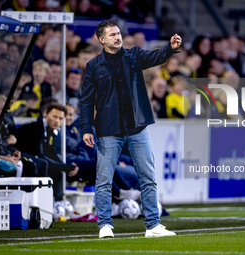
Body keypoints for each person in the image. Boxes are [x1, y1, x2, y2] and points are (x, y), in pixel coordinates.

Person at [79, 19, 180, 238]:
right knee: (103, 180)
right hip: (108, 130)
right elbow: (86, 100)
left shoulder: (134, 55)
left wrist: (170, 49)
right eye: (113, 34)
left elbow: (155, 57)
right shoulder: (94, 66)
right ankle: (105, 225)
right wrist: (86, 128)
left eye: (118, 33)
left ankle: (153, 225)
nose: (118, 37)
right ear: (102, 39)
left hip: (137, 128)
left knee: (148, 177)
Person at [16, 103, 79, 205]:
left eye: (60, 118)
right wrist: (65, 167)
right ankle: (41, 202)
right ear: (46, 116)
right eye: (54, 116)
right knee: (43, 164)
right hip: (19, 155)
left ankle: (58, 202)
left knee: (57, 170)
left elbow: (52, 154)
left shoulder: (52, 131)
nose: (57, 121)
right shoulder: (36, 128)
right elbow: (41, 154)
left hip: (36, 158)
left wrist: (67, 167)